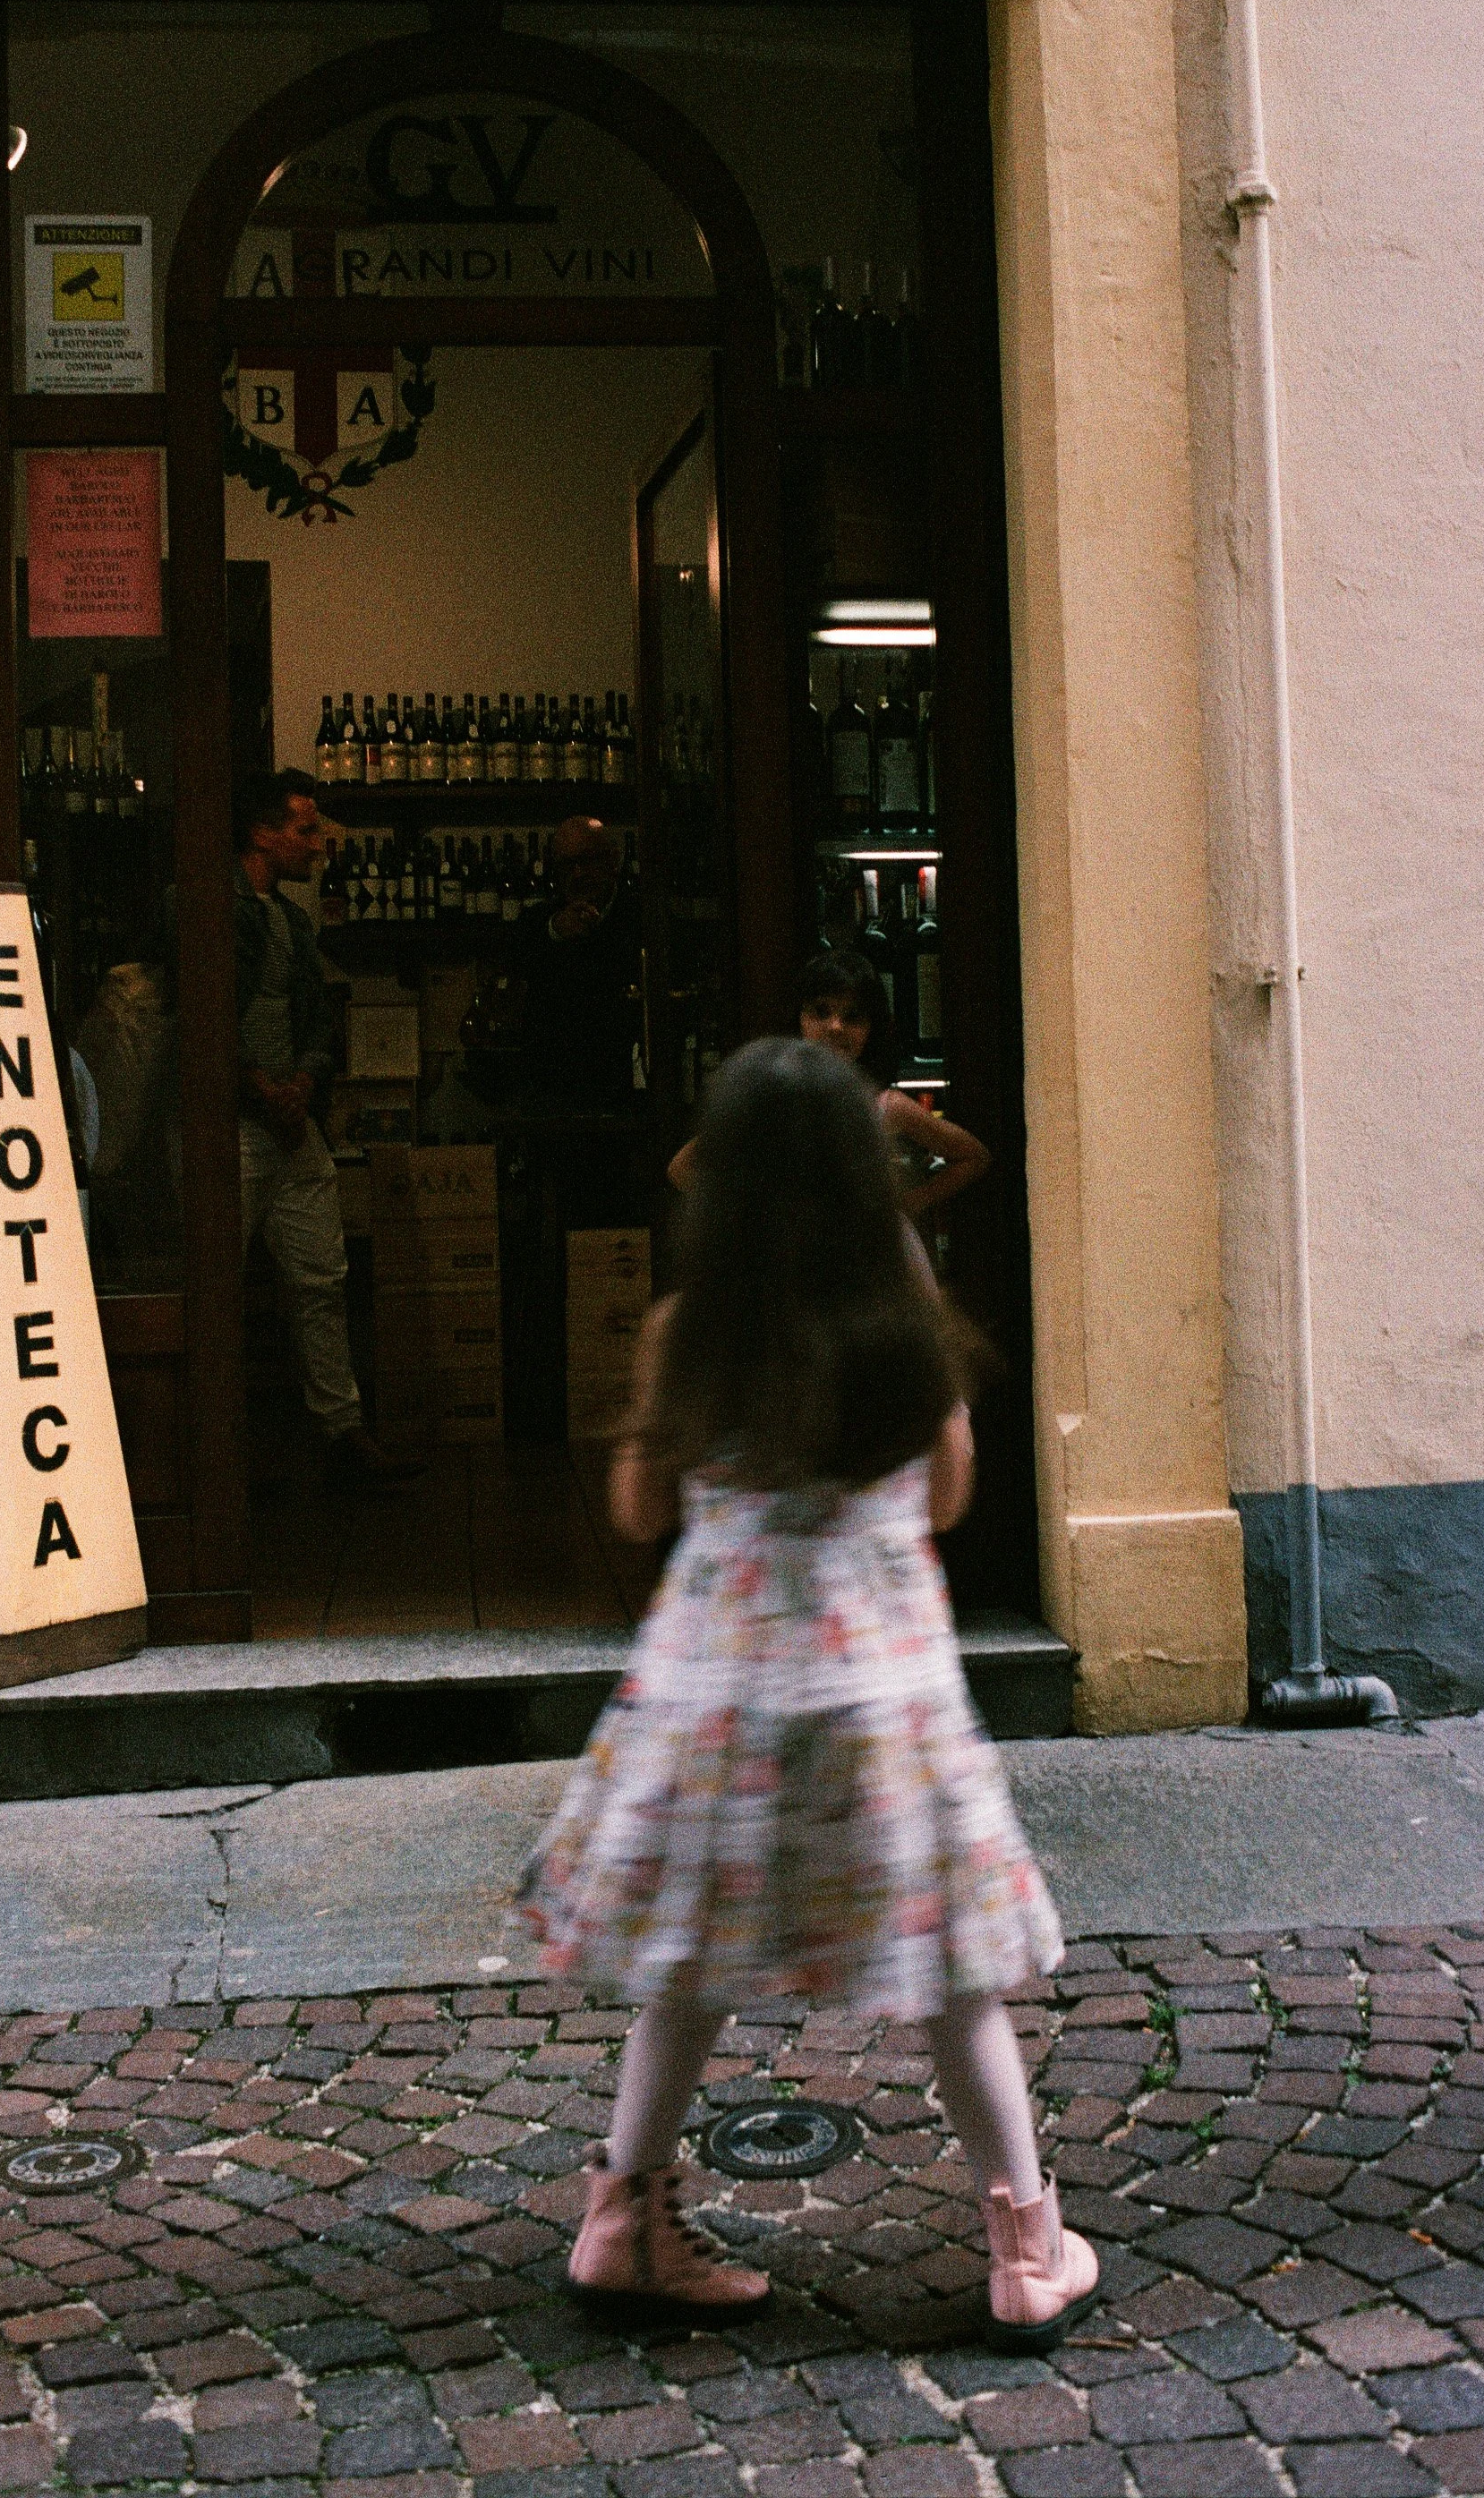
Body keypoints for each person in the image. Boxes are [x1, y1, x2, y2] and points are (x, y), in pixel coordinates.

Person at [520, 1036, 1095, 2344]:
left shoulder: (688, 1330)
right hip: (879, 1700)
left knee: (689, 1965)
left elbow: (634, 1508)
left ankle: (622, 2224)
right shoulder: (904, 1331)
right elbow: (947, 1496)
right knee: (957, 1974)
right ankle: (1026, 2250)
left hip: (718, 1703)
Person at [233, 768, 417, 1487]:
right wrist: (260, 1085)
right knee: (220, 1283)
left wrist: (303, 1082)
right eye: (306, 829)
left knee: (323, 1274)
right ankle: (220, 1446)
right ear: (264, 832)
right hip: (233, 1120)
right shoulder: (204, 905)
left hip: (286, 1118)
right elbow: (201, 1011)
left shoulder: (291, 919)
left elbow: (315, 1015)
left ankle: (340, 1430)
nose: (319, 844)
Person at [670, 948, 989, 1221]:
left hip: (868, 1266)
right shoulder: (770, 1101)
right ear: (798, 1017)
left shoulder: (885, 1107)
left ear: (871, 1030)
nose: (836, 1027)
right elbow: (682, 1168)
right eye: (821, 1012)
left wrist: (907, 1205)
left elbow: (974, 1157)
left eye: (853, 1016)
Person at [515, 815, 642, 1113]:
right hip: (556, 1098)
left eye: (587, 862)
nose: (578, 874)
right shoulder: (539, 923)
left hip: (624, 1091)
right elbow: (517, 963)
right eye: (567, 866)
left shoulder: (641, 919)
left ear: (612, 863)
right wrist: (556, 932)